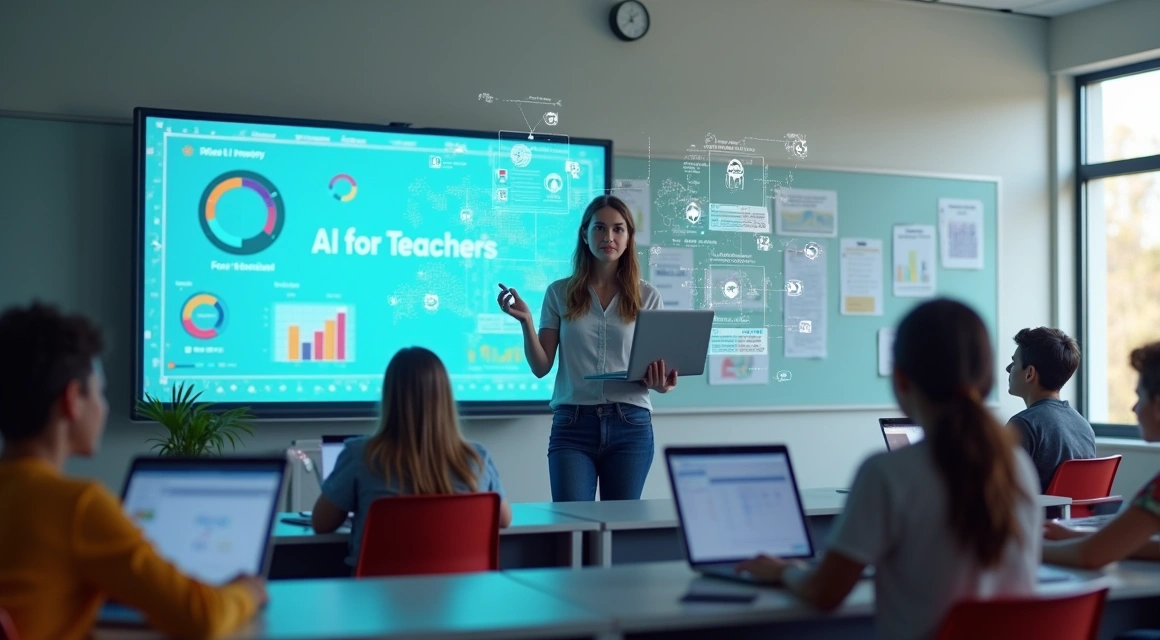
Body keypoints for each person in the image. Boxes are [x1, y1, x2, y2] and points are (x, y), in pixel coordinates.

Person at [736, 299, 1041, 640]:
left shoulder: (887, 474)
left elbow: (825, 592)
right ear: (984, 380)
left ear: (900, 379)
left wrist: (785, 572)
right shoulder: (1017, 469)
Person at [0, 302, 265, 640]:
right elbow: (200, 618)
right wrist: (247, 591)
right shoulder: (77, 506)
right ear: (72, 400)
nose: (104, 406)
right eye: (100, 392)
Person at [497, 194, 677, 502]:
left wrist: (662, 383)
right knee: (572, 528)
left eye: (618, 229)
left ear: (629, 237)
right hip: (572, 425)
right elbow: (541, 367)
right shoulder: (559, 293)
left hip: (630, 426)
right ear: (585, 234)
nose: (609, 237)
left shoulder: (648, 297)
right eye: (600, 228)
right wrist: (526, 322)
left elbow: (660, 384)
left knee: (619, 528)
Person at [1043, 336, 1160, 637]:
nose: (1134, 408)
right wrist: (1075, 536)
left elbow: (1091, 556)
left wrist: (1026, 548)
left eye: (1140, 397)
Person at [312, 346, 512, 566]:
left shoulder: (360, 455)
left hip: (375, 597)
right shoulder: (476, 458)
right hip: (459, 597)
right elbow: (504, 519)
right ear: (445, 398)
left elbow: (321, 524)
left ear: (389, 397)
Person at [1005, 327, 1096, 490]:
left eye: (1014, 362)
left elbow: (999, 491)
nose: (1008, 368)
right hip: (1074, 516)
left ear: (1029, 373)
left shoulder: (1022, 425)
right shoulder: (1084, 426)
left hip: (1035, 516)